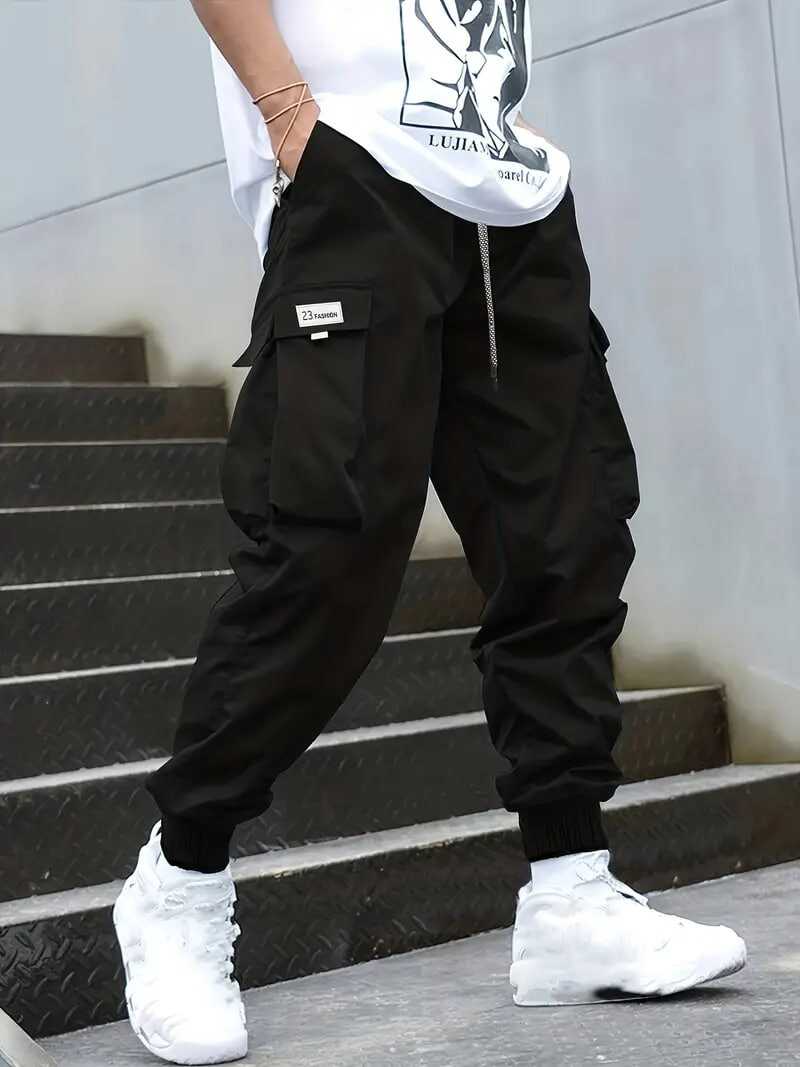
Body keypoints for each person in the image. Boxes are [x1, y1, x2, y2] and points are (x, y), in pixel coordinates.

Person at [112, 2, 747, 1063]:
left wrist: (499, 116)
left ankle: (571, 891)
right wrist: (288, 114)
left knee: (564, 540)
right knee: (324, 552)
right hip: (355, 169)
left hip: (507, 188)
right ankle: (179, 879)